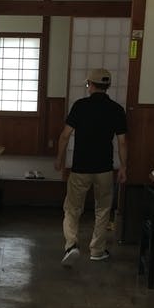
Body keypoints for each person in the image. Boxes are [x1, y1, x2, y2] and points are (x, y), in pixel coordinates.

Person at [55, 68, 128, 267]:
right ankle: (97, 250)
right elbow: (122, 142)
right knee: (103, 209)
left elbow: (65, 135)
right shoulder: (117, 109)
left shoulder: (80, 106)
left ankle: (71, 245)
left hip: (80, 168)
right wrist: (123, 167)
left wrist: (60, 159)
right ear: (108, 86)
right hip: (104, 168)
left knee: (72, 208)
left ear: (90, 85)